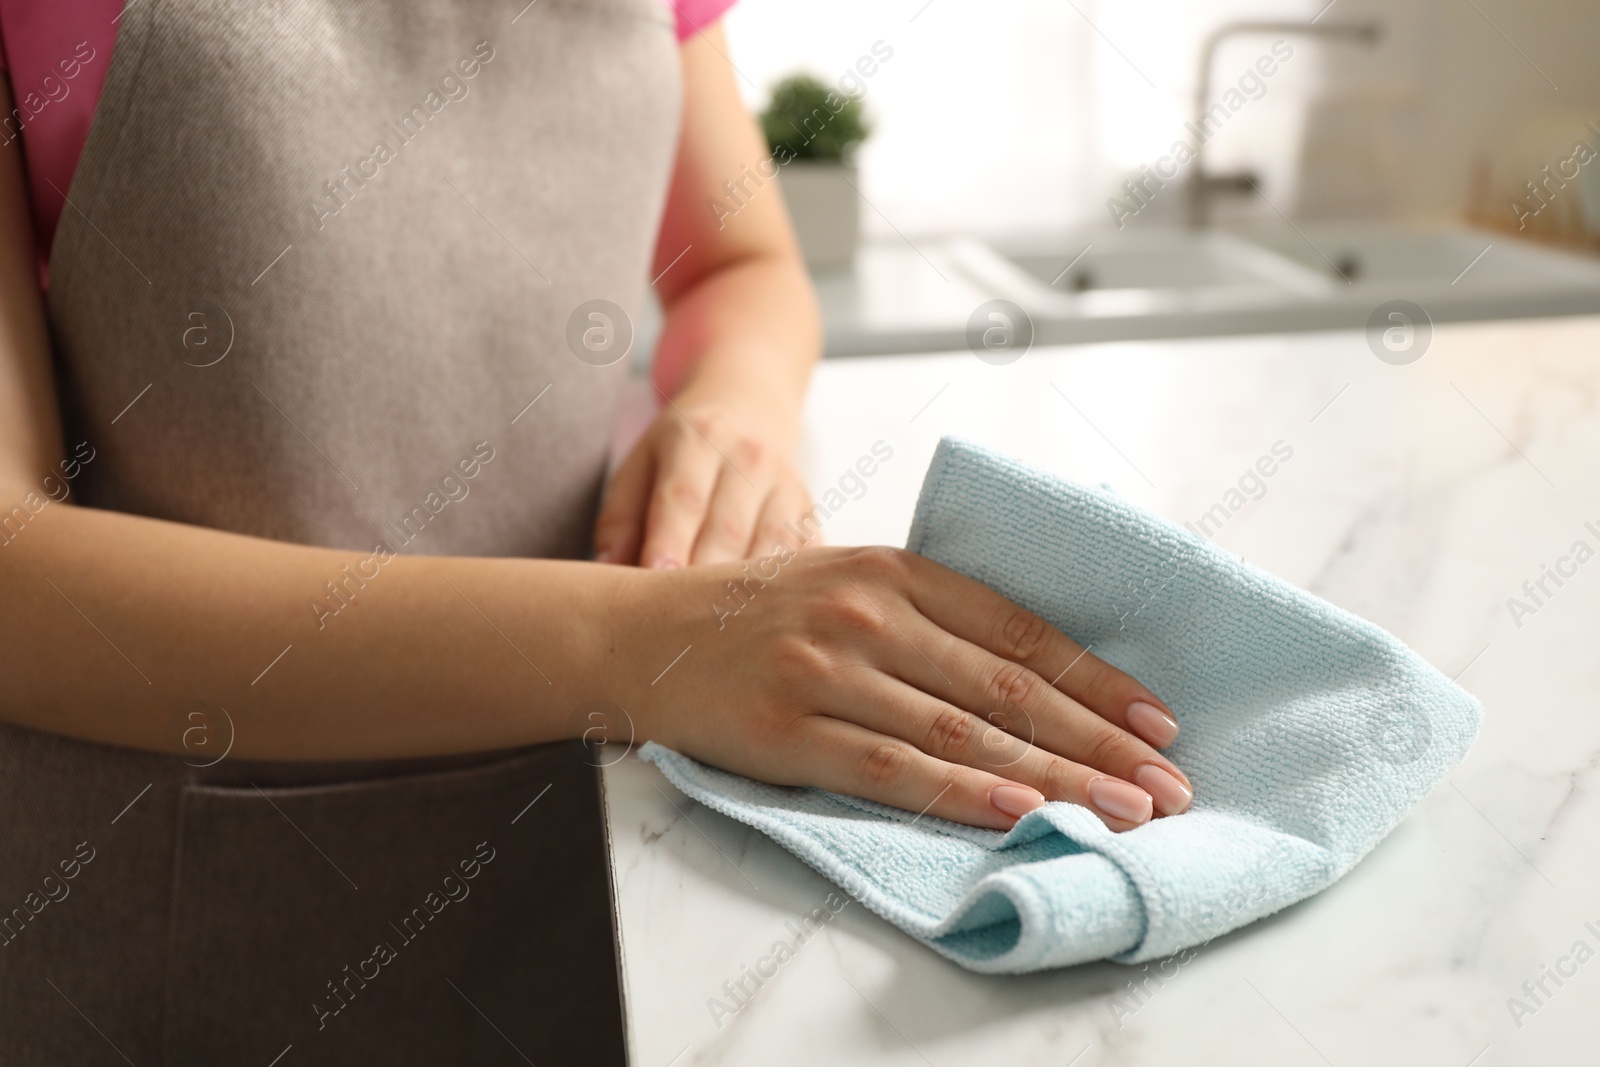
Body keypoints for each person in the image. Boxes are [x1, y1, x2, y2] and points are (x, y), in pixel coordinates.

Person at [0, 0, 1191, 1060]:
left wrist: (733, 408)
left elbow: (741, 260)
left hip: (587, 837)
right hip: (189, 912)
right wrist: (646, 648)